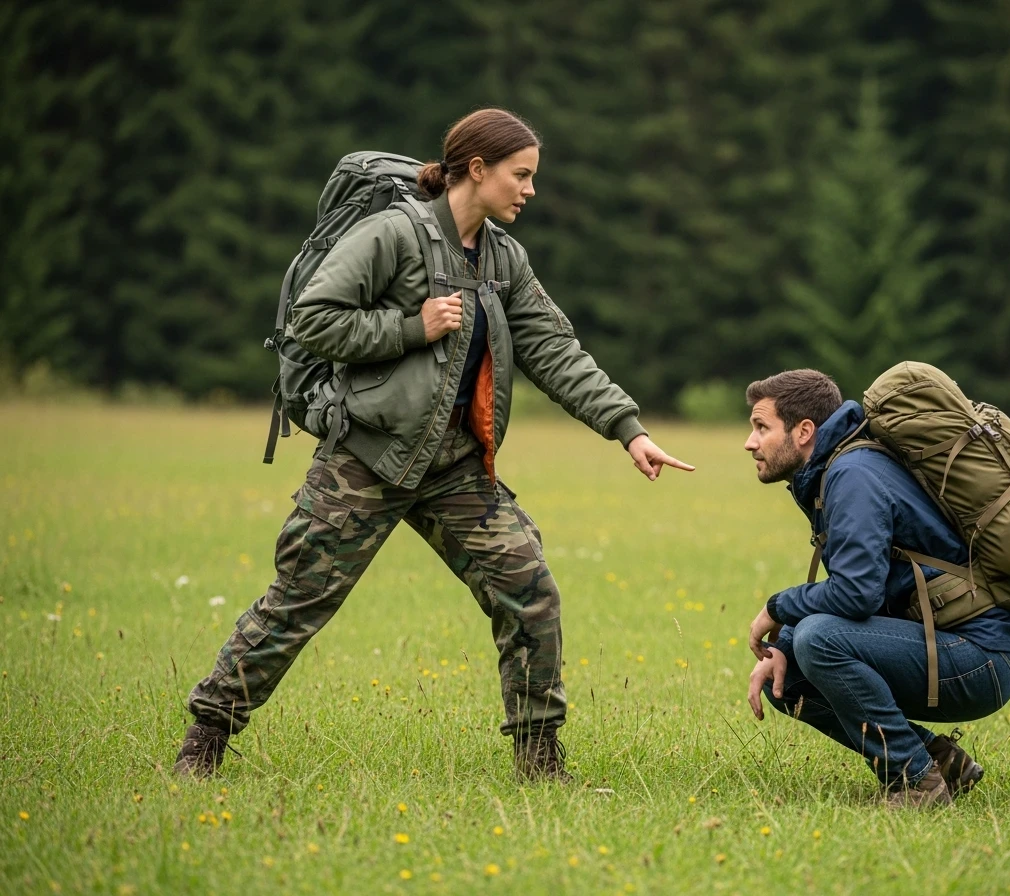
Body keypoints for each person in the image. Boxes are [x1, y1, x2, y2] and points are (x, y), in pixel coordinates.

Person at [174, 108, 693, 782]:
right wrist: (409, 327)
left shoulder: (505, 259)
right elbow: (313, 319)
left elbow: (555, 351)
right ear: (476, 169)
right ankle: (206, 738)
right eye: (522, 175)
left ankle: (539, 759)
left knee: (528, 590)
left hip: (453, 468)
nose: (531, 189)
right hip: (367, 456)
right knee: (297, 602)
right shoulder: (393, 235)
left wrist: (629, 429)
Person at [742, 369, 1010, 807]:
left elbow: (856, 595)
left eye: (762, 427)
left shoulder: (853, 474)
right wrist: (787, 646)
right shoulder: (838, 468)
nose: (750, 441)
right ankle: (941, 762)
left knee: (817, 639)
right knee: (788, 674)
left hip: (979, 657)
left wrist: (778, 608)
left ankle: (915, 783)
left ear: (803, 431)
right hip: (949, 646)